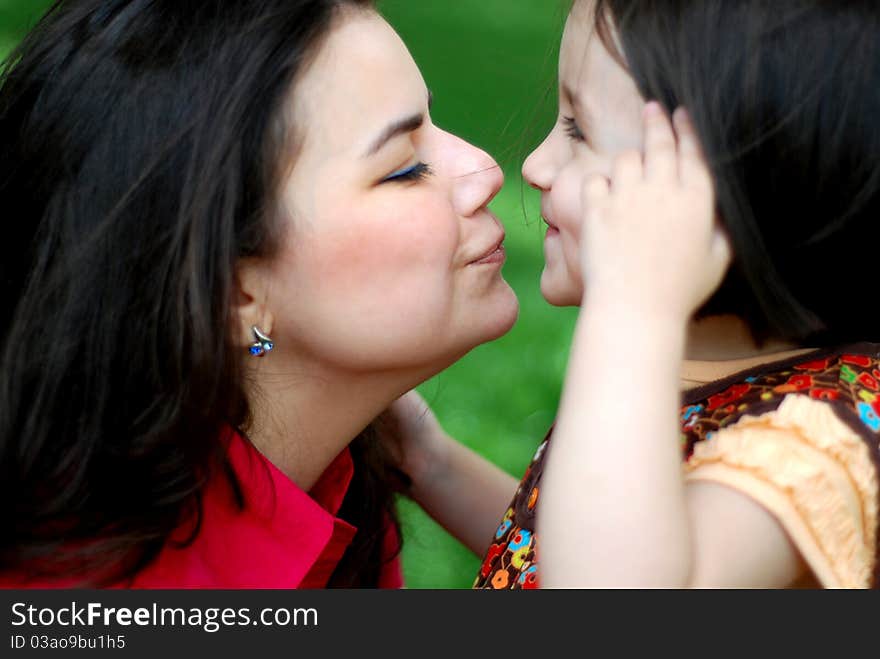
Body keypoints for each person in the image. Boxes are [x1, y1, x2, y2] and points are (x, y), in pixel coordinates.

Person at [0, 0, 520, 588]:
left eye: (434, 122)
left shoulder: (337, 481)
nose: (484, 168)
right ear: (232, 294)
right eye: (403, 168)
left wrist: (432, 462)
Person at [395, 0, 880, 589]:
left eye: (579, 129)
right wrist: (431, 462)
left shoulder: (820, 447)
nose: (536, 165)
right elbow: (571, 548)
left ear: (736, 193)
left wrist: (633, 308)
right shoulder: (697, 377)